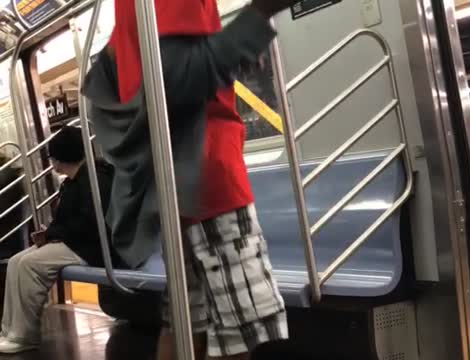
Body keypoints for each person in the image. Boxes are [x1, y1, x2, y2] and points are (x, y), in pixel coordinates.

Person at [82, 1, 300, 359]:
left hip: (174, 183)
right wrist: (258, 16)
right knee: (236, 332)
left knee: (186, 325)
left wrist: (231, 54)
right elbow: (173, 77)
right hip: (208, 174)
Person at [0, 125, 114, 353]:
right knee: (15, 262)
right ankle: (9, 329)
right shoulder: (73, 182)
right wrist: (49, 234)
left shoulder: (94, 180)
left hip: (89, 247)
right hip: (74, 242)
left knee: (30, 265)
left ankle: (25, 335)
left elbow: (89, 224)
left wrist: (53, 234)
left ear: (62, 157)